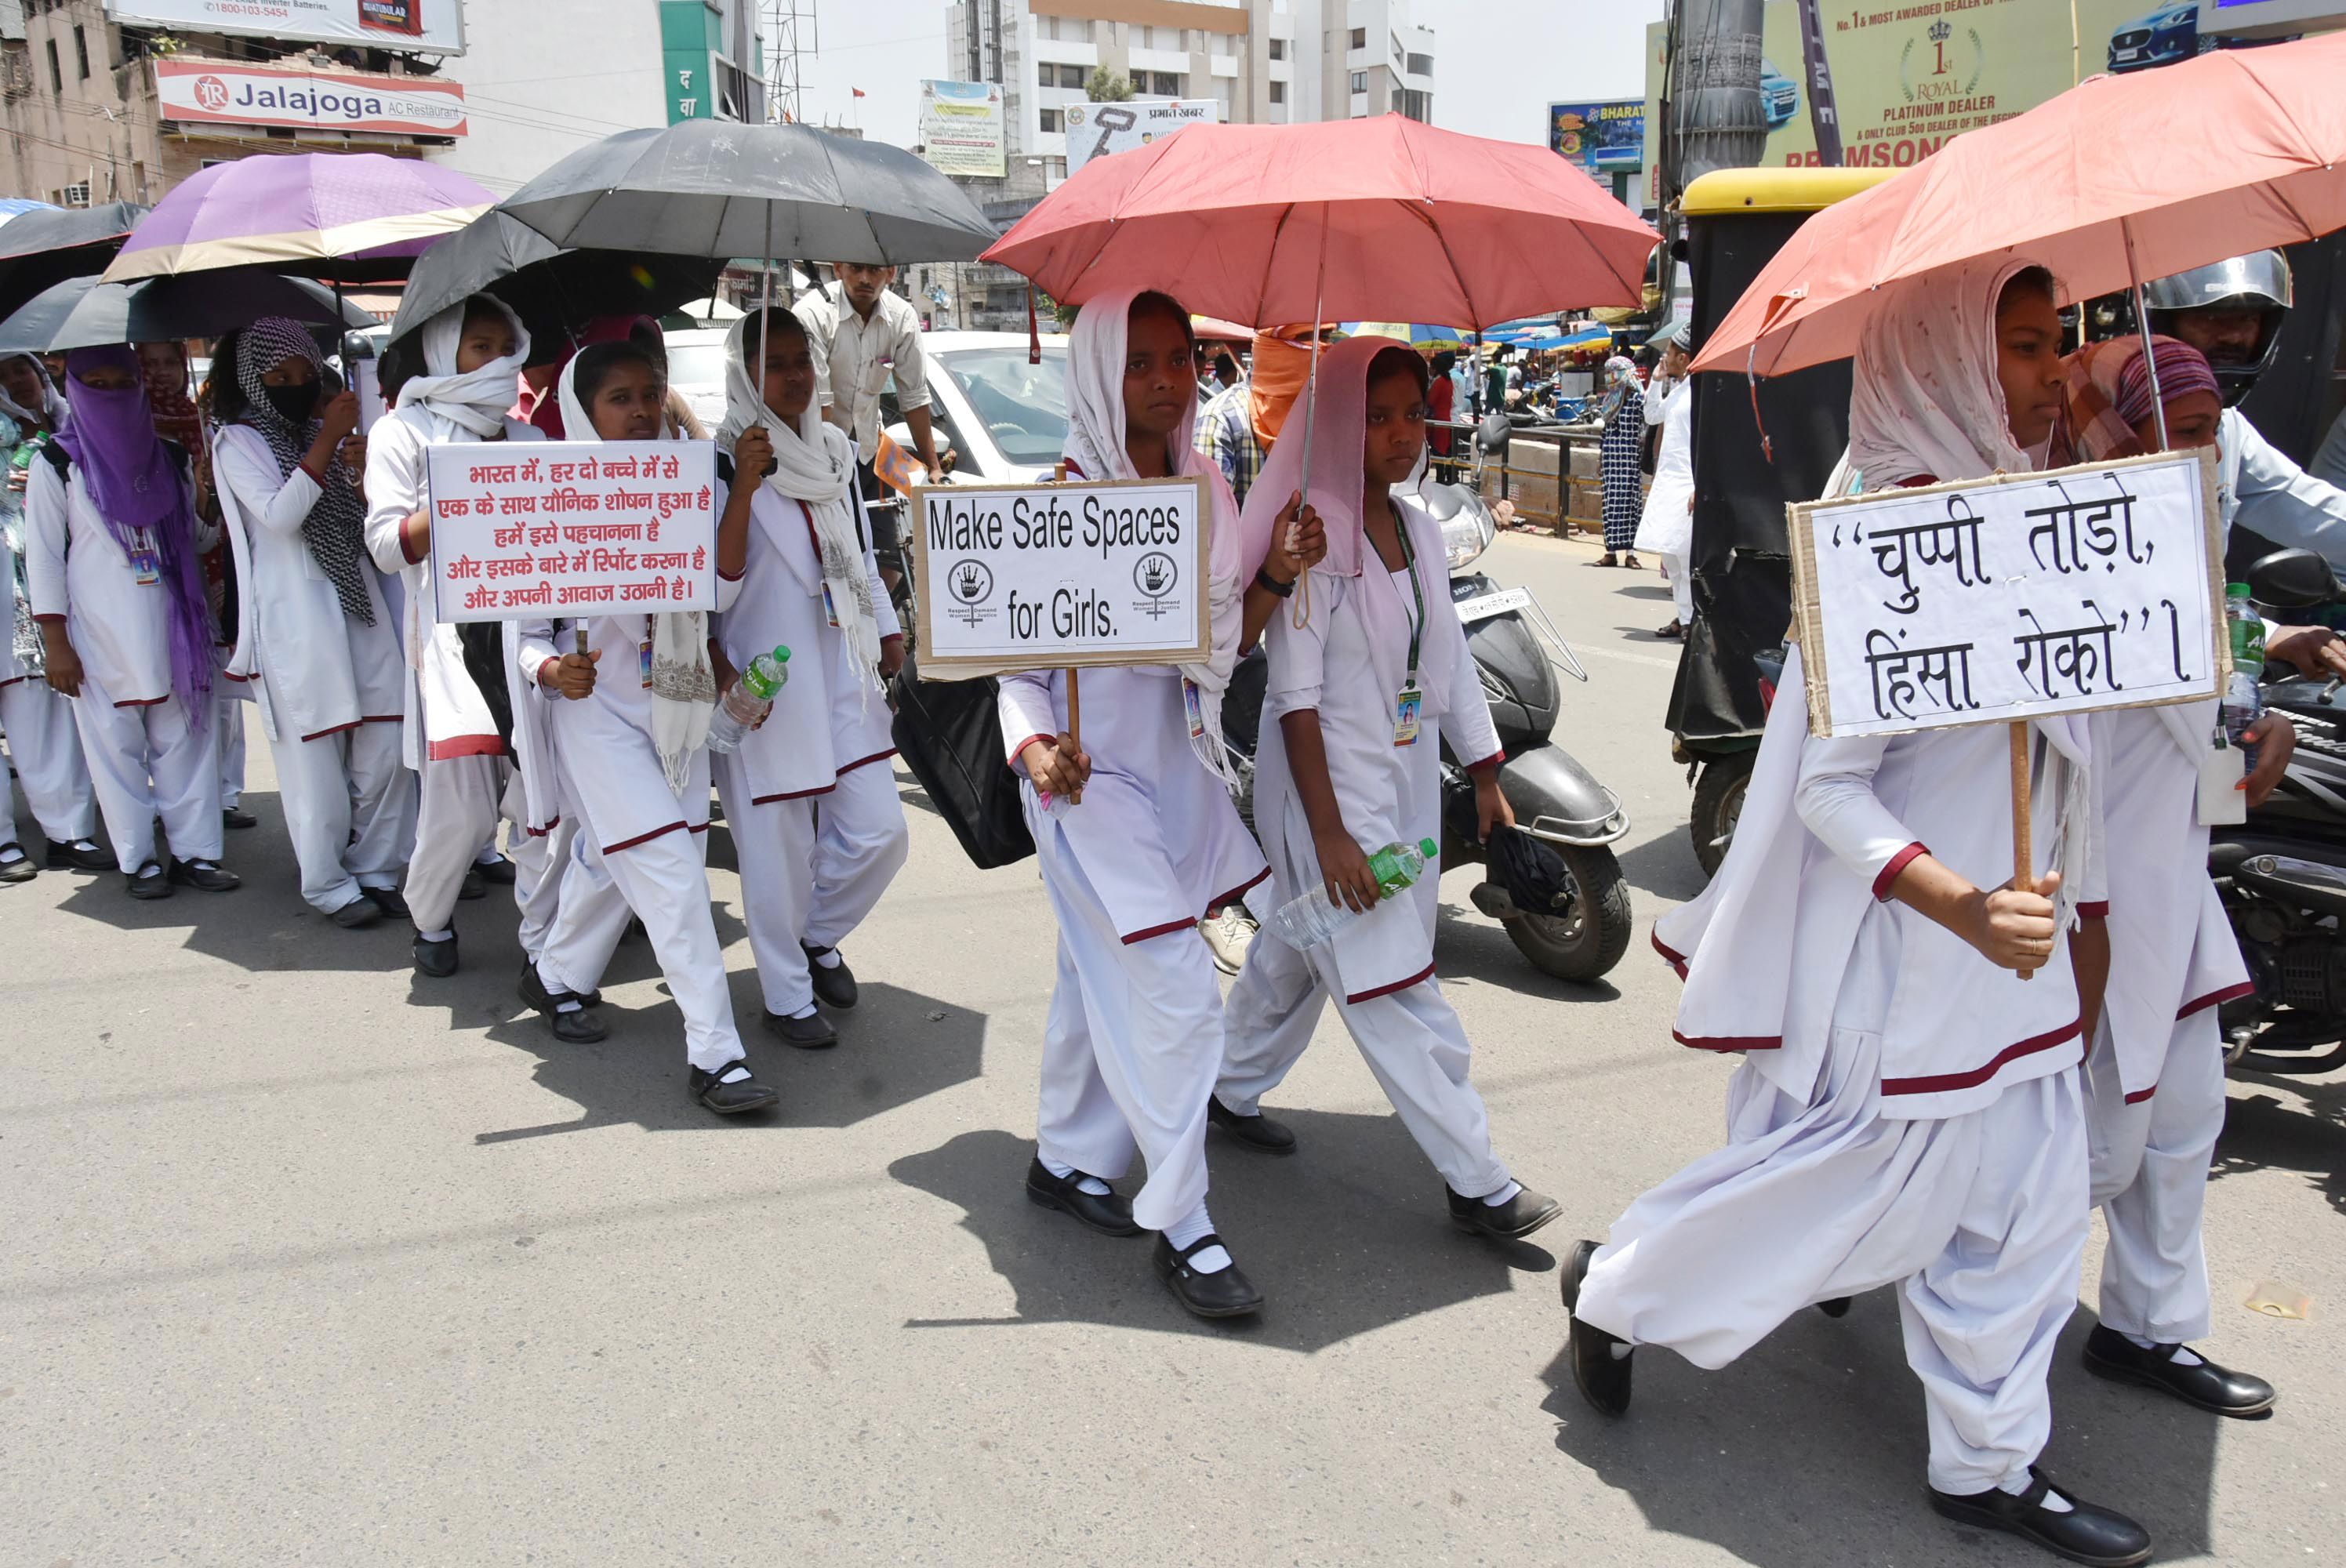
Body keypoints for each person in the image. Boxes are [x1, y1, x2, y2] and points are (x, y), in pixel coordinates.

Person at [1559, 258, 2159, 1568]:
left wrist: (2072, 917)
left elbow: (2080, 746)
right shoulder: (1891, 538)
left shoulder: (2037, 520)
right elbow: (1834, 794)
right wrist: (1961, 907)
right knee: (1851, 1205)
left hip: (2025, 965)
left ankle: (1986, 1465)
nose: (2053, 370)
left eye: (2057, 342)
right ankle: (1616, 1290)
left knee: (2035, 1217)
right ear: (1942, 359)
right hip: (1924, 969)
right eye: (2019, 344)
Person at [997, 287, 1322, 1319]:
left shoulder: (1206, 493)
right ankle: (1186, 1225)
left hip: (1177, 774)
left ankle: (1064, 1159)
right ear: (1097, 371)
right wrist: (1038, 747)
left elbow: (1225, 644)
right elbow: (1012, 668)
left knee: (1095, 971)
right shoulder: (1055, 496)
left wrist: (1273, 570)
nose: (1164, 380)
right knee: (1176, 982)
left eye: (1178, 358)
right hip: (1084, 786)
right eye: (1138, 361)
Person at [1209, 336, 1556, 1242]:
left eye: (1412, 412)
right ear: (1335, 424)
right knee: (1390, 980)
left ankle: (1224, 1085)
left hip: (1399, 782)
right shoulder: (1309, 533)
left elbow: (1446, 663)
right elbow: (1292, 695)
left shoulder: (1419, 525)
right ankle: (1476, 1179)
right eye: (1377, 415)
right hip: (1322, 793)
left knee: (1297, 945)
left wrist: (1486, 776)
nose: (1402, 434)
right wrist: (1327, 836)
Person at [2058, 332, 2286, 1423]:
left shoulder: (2187, 558)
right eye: (2187, 433)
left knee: (2185, 1116)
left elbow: (2199, 762)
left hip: (2174, 896)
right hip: (2080, 913)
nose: (2210, 457)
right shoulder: (2060, 567)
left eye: (2209, 434)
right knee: (2077, 1148)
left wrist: (2250, 756)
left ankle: (2147, 1331)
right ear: (2115, 433)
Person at [515, 341, 778, 1115]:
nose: (638, 409)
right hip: (596, 714)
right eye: (619, 397)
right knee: (669, 875)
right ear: (583, 411)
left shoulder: (691, 478)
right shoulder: (551, 494)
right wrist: (552, 671)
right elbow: (527, 631)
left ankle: (556, 973)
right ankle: (716, 1055)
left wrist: (745, 490)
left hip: (682, 695)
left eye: (649, 393)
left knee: (618, 862)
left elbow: (721, 592)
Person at [363, 294, 593, 980]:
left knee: (541, 802)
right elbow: (385, 546)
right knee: (461, 813)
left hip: (528, 640)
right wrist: (463, 497)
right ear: (443, 354)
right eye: (478, 348)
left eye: (504, 346)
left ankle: (544, 942)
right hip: (451, 647)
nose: (495, 362)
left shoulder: (531, 441)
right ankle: (430, 918)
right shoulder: (401, 433)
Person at [710, 307, 908, 1048]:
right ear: (744, 375)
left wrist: (889, 637)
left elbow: (857, 555)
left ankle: (815, 936)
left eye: (803, 361)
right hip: (765, 683)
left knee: (882, 833)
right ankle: (787, 996)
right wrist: (745, 488)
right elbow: (715, 590)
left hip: (842, 666)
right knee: (775, 850)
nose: (795, 377)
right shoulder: (725, 459)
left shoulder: (831, 449)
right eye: (776, 364)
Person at [210, 318, 415, 928]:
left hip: (359, 602)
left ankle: (377, 867)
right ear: (253, 379)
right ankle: (327, 883)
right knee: (315, 760)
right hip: (294, 615)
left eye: (305, 374)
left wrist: (360, 471)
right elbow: (280, 515)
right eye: (280, 377)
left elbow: (361, 527)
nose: (296, 386)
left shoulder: (327, 434)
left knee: (387, 737)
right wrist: (326, 441)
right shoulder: (237, 442)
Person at [24, 345, 237, 898]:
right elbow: (44, 555)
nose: (112, 394)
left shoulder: (168, 455)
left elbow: (194, 541)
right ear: (74, 388)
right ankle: (138, 860)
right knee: (114, 747)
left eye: (124, 381)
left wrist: (211, 499)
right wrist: (56, 644)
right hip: (99, 629)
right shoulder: (57, 462)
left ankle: (196, 855)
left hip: (174, 624)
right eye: (97, 383)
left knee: (187, 738)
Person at [2144, 251, 2346, 575]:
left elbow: (2301, 505)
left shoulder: (2228, 425)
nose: (2232, 336)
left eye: (2247, 319)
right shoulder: (2101, 422)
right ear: (2164, 324)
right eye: (2210, 319)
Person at [1, 400, 106, 884]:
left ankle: (68, 834)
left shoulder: (31, 440)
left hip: (18, 594)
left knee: (38, 716)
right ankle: (3, 842)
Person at [795, 263, 942, 492]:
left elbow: (914, 398)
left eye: (874, 270)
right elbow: (819, 404)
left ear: (891, 274)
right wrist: (823, 473)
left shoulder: (901, 317)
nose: (865, 279)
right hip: (817, 454)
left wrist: (933, 468)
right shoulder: (814, 314)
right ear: (838, 269)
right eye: (855, 268)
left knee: (881, 525)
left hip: (869, 452)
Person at [1633, 325, 1694, 639]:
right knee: (1671, 555)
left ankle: (1691, 619)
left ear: (1683, 358)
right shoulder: (1680, 390)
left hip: (1687, 481)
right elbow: (1653, 415)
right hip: (1669, 480)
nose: (1664, 358)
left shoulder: (1698, 391)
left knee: (1684, 556)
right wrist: (1655, 384)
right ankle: (1685, 617)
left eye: (1669, 353)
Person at [1592, 355, 1644, 568]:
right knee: (1611, 506)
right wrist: (1601, 458)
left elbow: (1647, 427)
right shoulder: (1609, 402)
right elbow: (1605, 434)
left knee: (1631, 506)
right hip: (1611, 462)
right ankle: (1610, 552)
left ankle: (1631, 554)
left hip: (1630, 460)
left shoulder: (1638, 400)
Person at [1426, 350, 1458, 484]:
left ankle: (1439, 480)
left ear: (1435, 368)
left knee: (1439, 453)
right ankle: (1446, 479)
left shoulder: (1439, 382)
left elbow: (1431, 401)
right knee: (1445, 452)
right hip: (1446, 418)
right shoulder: (1448, 380)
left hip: (1438, 420)